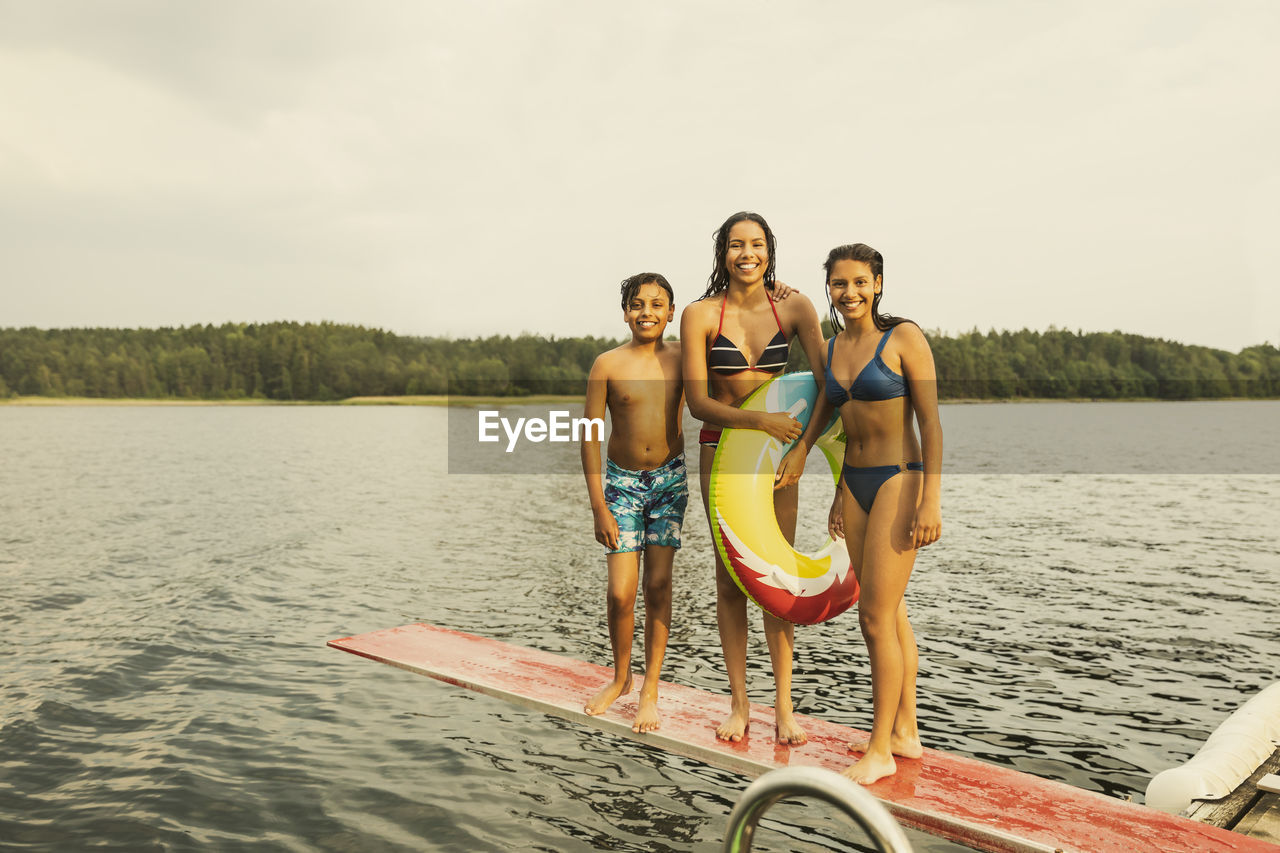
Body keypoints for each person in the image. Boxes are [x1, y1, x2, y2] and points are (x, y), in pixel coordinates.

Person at [780, 242, 942, 783]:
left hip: (900, 479)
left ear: (878, 284)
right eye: (838, 284)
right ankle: (906, 732)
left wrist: (931, 500)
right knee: (890, 613)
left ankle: (880, 750)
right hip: (855, 482)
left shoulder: (904, 339)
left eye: (859, 282)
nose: (849, 293)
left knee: (873, 616)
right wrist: (810, 460)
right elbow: (831, 411)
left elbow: (932, 425)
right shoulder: (831, 347)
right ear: (829, 289)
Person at [680, 211, 827, 744]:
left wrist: (803, 447)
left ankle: (784, 707)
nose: (748, 254)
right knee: (730, 580)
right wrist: (759, 419)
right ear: (723, 253)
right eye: (737, 245)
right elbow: (698, 403)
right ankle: (740, 703)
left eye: (757, 244)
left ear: (770, 251)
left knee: (778, 576)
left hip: (778, 458)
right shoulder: (699, 315)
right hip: (720, 452)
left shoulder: (794, 306)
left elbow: (828, 385)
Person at [580, 273, 689, 733]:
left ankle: (650, 688)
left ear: (670, 310)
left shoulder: (686, 356)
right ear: (625, 312)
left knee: (659, 585)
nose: (647, 311)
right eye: (638, 304)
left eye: (657, 304)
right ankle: (621, 676)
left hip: (669, 483)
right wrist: (598, 506)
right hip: (621, 486)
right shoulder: (607, 364)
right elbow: (589, 435)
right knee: (621, 592)